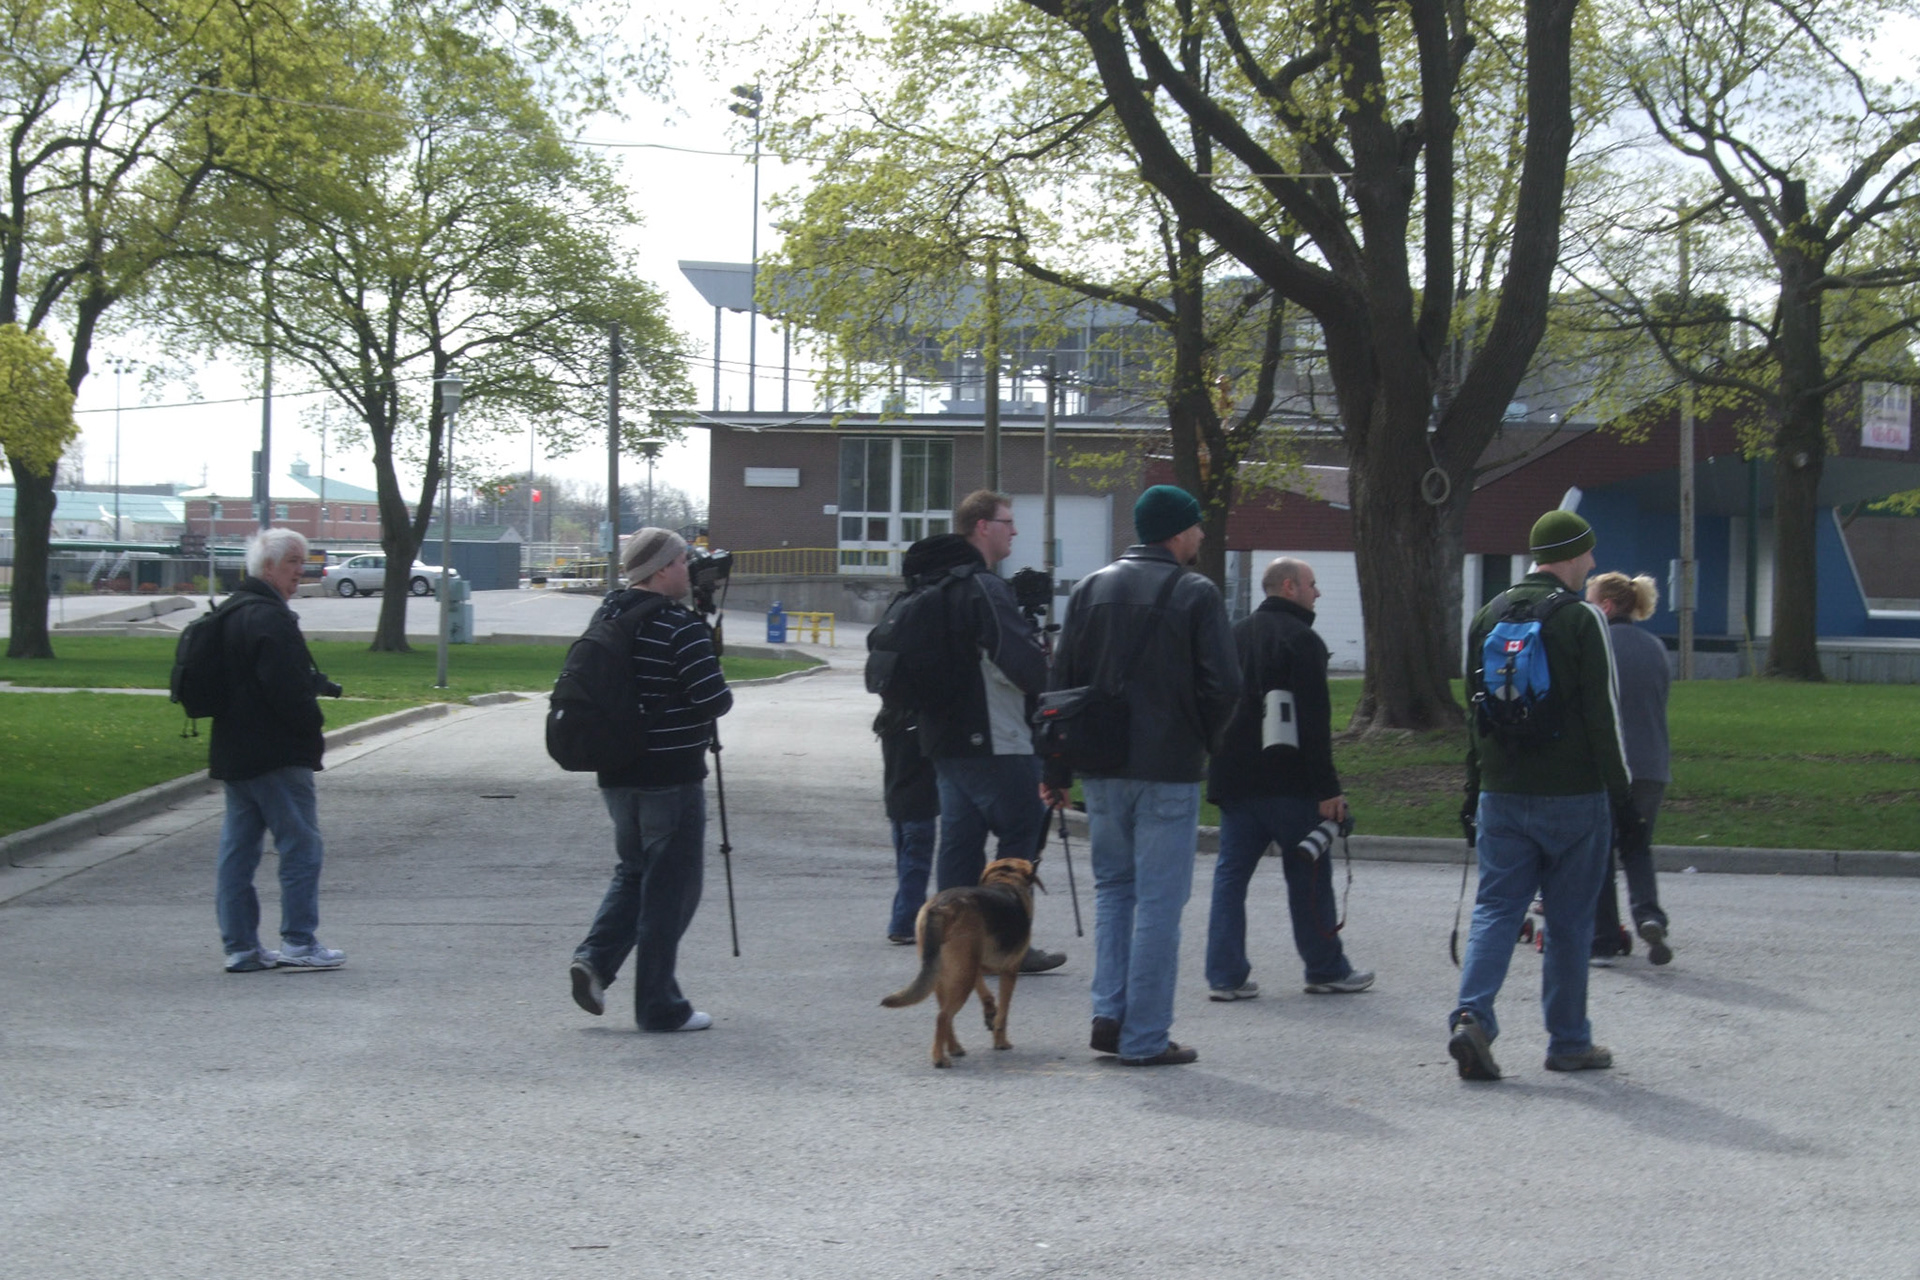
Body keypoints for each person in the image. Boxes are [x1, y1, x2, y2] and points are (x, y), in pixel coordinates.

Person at [1042, 485, 1240, 1066]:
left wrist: (1056, 768)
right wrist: (1201, 739)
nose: (1202, 535)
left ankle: (1108, 1012)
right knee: (1158, 903)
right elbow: (1224, 686)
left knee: (1113, 892)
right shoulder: (1197, 593)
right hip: (1168, 769)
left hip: (1101, 767)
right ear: (1176, 532)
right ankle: (1146, 1035)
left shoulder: (1089, 589)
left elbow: (1060, 689)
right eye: (1197, 527)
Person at [1449, 509, 1638, 1081]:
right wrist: (1622, 795)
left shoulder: (1489, 614)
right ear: (1569, 556)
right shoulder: (1582, 618)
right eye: (1588, 554)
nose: (1594, 564)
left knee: (1496, 908)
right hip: (1573, 794)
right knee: (1569, 922)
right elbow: (1603, 715)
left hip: (1502, 793)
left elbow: (1475, 712)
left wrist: (1475, 784)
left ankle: (1472, 1017)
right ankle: (1569, 1041)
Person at [569, 528, 733, 1033]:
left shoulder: (608, 614)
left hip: (616, 775)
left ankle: (595, 962)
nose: (691, 567)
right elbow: (715, 699)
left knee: (635, 872)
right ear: (662, 569)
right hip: (670, 776)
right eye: (684, 560)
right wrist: (705, 637)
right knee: (672, 891)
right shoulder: (678, 625)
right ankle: (660, 1005)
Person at [1204, 558, 1374, 1001]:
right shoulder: (1303, 641)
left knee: (1230, 877)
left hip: (1236, 779)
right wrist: (1328, 790)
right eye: (1312, 585)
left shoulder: (1232, 636)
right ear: (1289, 587)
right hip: (1289, 782)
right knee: (1309, 875)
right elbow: (1314, 726)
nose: (1317, 593)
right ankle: (1324, 967)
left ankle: (1225, 975)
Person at [912, 490, 1065, 973]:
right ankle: (1008, 946)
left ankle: (953, 944)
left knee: (959, 845)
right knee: (1020, 841)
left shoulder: (930, 582)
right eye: (1007, 522)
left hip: (944, 741)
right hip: (995, 739)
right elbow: (1023, 665)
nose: (1014, 531)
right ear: (982, 526)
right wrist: (1048, 674)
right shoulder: (984, 588)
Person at [212, 527, 345, 972]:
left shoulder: (229, 613)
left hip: (234, 752)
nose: (299, 573)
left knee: (239, 850)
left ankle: (241, 946)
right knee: (301, 846)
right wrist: (313, 723)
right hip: (277, 753)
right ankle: (299, 941)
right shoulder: (271, 618)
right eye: (292, 563)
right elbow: (286, 689)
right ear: (268, 567)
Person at [1587, 571, 1674, 966]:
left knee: (1599, 852)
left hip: (1609, 765)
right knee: (1637, 847)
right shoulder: (1656, 648)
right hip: (1653, 764)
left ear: (1605, 605)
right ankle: (1649, 915)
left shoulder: (1595, 644)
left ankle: (1604, 936)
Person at [876, 704, 938, 945]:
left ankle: (903, 919)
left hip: (897, 800)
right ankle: (905, 922)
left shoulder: (892, 717)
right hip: (919, 803)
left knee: (907, 863)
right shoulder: (919, 723)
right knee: (915, 863)